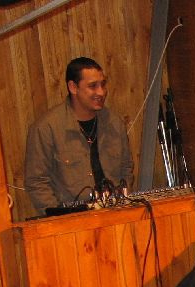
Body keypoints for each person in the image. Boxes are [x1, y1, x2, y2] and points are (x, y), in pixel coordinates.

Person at [24, 56, 134, 214]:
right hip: (71, 222)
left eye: (103, 84)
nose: (101, 92)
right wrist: (60, 217)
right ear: (73, 87)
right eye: (93, 86)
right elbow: (36, 181)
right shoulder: (46, 128)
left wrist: (121, 201)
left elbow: (126, 167)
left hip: (115, 215)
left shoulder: (114, 123)